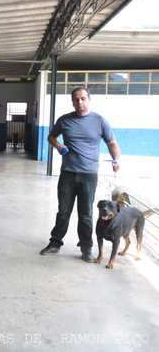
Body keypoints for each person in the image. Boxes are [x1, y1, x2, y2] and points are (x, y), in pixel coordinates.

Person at [40, 87, 121, 261]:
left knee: (86, 214)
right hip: (68, 174)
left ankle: (86, 248)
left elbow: (112, 143)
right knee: (63, 211)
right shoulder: (65, 120)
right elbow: (51, 137)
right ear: (72, 102)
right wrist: (59, 146)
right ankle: (55, 243)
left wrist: (117, 160)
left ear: (89, 100)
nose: (80, 102)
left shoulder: (100, 121)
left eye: (83, 98)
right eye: (76, 99)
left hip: (88, 175)